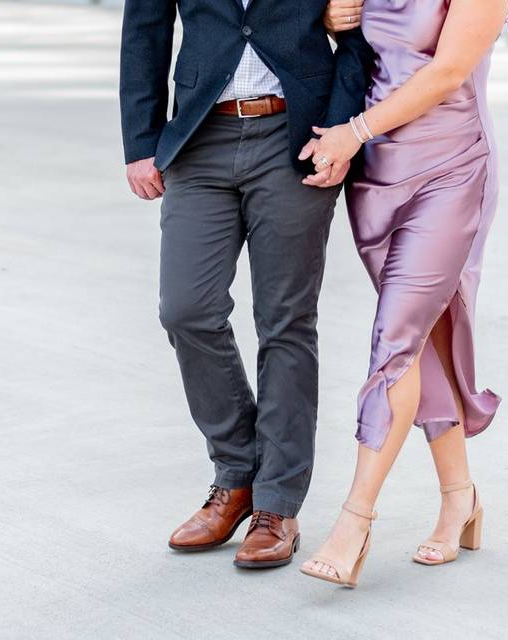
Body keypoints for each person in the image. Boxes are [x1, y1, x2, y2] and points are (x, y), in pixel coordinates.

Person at [119, 0, 372, 569]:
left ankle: (276, 505)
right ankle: (236, 475)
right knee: (186, 309)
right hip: (199, 137)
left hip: (295, 133)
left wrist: (342, 128)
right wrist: (140, 141)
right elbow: (145, 30)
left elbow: (361, 31)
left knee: (285, 322)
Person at [298, 0, 508, 586]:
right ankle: (460, 498)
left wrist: (354, 130)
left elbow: (446, 71)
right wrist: (327, 18)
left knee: (395, 340)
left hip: (451, 170)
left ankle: (354, 521)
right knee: (420, 344)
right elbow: (360, 45)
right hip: (375, 175)